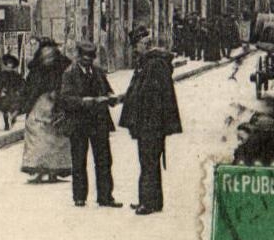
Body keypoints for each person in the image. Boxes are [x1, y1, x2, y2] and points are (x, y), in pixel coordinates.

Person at [119, 26, 182, 214]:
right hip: (148, 123)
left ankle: (148, 203)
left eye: (136, 46)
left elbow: (152, 97)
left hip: (151, 123)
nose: (134, 50)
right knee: (149, 162)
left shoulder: (153, 64)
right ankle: (150, 200)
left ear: (143, 44)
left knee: (148, 162)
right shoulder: (148, 62)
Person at [59, 39, 123, 207]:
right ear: (78, 57)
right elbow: (65, 99)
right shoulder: (69, 73)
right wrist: (83, 101)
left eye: (90, 58)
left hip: (99, 121)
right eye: (84, 58)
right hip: (79, 123)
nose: (87, 61)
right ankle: (79, 197)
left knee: (104, 160)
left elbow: (107, 89)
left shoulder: (98, 72)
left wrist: (111, 97)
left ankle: (105, 197)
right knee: (79, 161)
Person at [20, 39, 72, 183]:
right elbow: (30, 89)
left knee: (57, 137)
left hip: (58, 104)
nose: (48, 57)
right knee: (36, 134)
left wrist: (61, 96)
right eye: (45, 54)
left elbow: (69, 84)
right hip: (39, 105)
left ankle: (54, 170)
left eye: (50, 53)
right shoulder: (36, 69)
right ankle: (38, 167)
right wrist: (24, 106)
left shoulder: (64, 67)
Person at [0, 54, 25, 131]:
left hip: (14, 94)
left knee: (15, 108)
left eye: (11, 63)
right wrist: (1, 90)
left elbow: (22, 83)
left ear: (13, 65)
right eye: (8, 63)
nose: (9, 65)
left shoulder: (16, 75)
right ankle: (6, 124)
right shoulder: (2, 74)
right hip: (6, 93)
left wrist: (19, 91)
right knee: (5, 109)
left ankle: (13, 118)